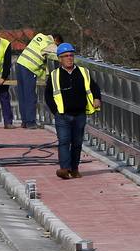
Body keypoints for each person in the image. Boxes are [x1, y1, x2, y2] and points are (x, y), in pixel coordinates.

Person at [44, 42, 101, 179]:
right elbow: (48, 95)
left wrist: (97, 98)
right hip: (63, 115)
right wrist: (56, 111)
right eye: (65, 56)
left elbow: (94, 87)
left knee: (77, 143)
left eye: (71, 55)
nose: (69, 58)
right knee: (63, 141)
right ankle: (64, 169)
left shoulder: (83, 72)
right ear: (60, 59)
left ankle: (74, 169)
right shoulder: (54, 75)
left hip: (80, 114)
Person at [14, 31, 61, 128]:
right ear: (56, 40)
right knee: (30, 96)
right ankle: (31, 122)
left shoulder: (39, 36)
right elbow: (59, 54)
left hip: (20, 64)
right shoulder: (50, 44)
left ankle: (25, 121)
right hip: (29, 68)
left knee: (23, 95)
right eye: (58, 44)